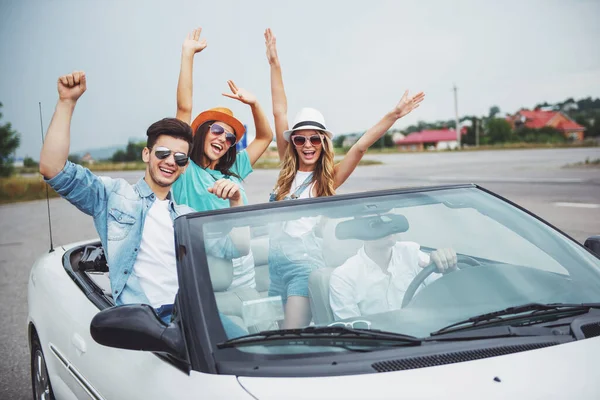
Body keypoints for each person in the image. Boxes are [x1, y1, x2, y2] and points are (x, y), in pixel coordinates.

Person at [40, 71, 248, 338]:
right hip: (149, 320)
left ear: (185, 167)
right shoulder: (114, 196)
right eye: (163, 153)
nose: (171, 161)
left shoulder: (187, 217)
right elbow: (53, 169)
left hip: (195, 313)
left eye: (180, 158)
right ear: (147, 154)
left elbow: (238, 247)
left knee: (251, 350)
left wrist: (236, 201)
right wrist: (66, 103)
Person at [264, 28, 426, 328]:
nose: (307, 145)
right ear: (293, 143)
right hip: (276, 268)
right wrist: (274, 63)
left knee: (291, 333)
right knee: (267, 331)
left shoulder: (328, 180)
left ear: (323, 142)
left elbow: (361, 146)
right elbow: (279, 110)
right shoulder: (286, 170)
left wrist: (394, 114)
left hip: (303, 268)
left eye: (315, 139)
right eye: (300, 140)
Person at [172, 27, 274, 291]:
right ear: (202, 132)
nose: (223, 139)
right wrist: (187, 55)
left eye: (230, 137)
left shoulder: (234, 168)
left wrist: (254, 105)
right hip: (207, 269)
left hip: (244, 265)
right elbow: (184, 109)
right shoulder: (184, 169)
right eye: (217, 130)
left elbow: (265, 137)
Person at [329, 233, 457, 320]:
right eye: (377, 217)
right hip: (382, 351)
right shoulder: (344, 277)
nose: (387, 222)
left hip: (431, 341)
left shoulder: (412, 253)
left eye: (389, 213)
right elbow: (353, 337)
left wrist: (450, 270)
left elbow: (450, 301)